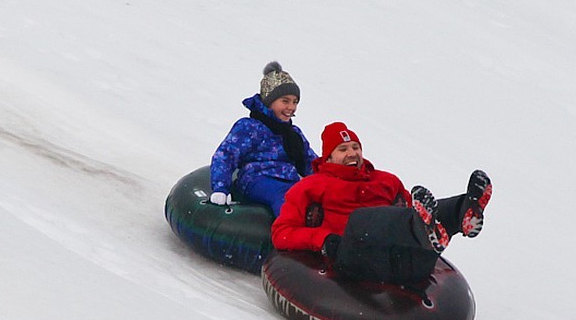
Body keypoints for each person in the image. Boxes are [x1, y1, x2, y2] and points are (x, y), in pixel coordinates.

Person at [271, 121, 491, 284]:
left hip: (402, 262)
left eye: (356, 147)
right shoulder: (311, 185)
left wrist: (429, 216)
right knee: (363, 219)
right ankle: (422, 230)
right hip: (354, 257)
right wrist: (323, 239)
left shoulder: (386, 180)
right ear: (328, 157)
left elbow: (412, 210)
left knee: (427, 215)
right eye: (343, 149)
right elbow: (281, 233)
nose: (352, 153)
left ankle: (462, 212)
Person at [209, 62, 317, 216]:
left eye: (295, 102)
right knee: (287, 198)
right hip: (257, 179)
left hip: (290, 181)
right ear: (269, 101)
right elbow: (226, 156)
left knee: (308, 197)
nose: (291, 107)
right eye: (285, 101)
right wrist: (220, 187)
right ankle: (288, 235)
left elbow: (310, 162)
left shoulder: (293, 134)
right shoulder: (249, 127)